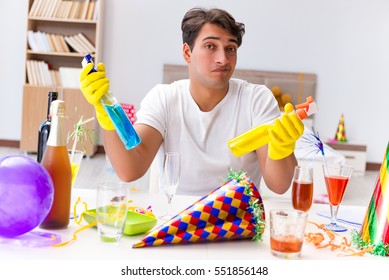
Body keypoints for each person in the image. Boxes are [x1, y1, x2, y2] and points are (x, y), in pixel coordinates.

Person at [80, 7, 304, 196]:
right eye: (210, 46)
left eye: (230, 49)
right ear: (187, 53)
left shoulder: (256, 100)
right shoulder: (165, 99)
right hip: (175, 222)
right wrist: (107, 116)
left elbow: (279, 185)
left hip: (238, 224)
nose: (223, 59)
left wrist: (282, 148)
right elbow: (130, 169)